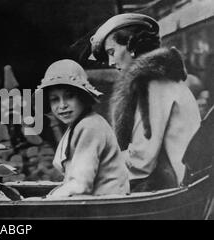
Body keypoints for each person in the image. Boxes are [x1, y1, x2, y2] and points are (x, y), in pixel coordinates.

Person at [91, 13, 201, 192]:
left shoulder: (153, 83)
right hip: (183, 182)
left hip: (175, 191)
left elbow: (141, 161)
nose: (110, 62)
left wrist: (98, 173)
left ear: (132, 46)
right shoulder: (163, 78)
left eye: (112, 52)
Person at [36, 59, 129, 198]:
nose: (62, 105)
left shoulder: (90, 126)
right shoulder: (79, 125)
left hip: (104, 205)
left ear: (82, 96)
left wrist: (46, 199)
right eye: (55, 99)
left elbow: (80, 185)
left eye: (69, 96)